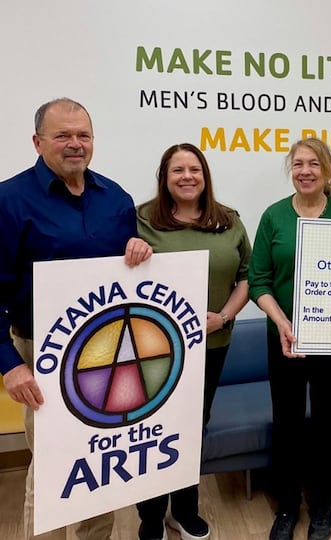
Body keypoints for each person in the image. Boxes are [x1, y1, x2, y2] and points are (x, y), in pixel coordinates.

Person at [0, 98, 152, 540]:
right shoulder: (9, 200)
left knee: (99, 466)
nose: (75, 144)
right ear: (37, 141)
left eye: (83, 135)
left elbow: (130, 274)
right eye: (62, 135)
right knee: (51, 466)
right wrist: (9, 364)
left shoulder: (116, 198)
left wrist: (142, 254)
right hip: (40, 351)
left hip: (106, 349)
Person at [135, 143, 252, 540]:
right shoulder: (141, 220)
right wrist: (132, 250)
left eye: (194, 169)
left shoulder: (229, 220)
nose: (187, 176)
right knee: (151, 431)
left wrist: (222, 317)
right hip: (155, 349)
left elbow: (246, 278)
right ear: (164, 178)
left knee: (191, 428)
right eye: (177, 170)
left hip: (212, 344)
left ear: (205, 175)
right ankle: (150, 517)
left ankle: (184, 511)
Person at [249, 138, 331, 540]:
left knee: (329, 424)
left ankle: (323, 506)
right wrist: (282, 322)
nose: (306, 171)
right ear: (290, 170)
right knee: (288, 424)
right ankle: (286, 508)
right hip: (285, 338)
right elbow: (257, 281)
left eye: (314, 164)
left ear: (328, 171)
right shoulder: (274, 216)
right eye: (298, 164)